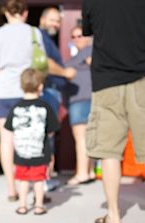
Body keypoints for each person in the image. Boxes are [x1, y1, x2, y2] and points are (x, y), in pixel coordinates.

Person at [82, 0, 145, 223]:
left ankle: (113, 215)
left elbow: (89, 33)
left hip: (106, 83)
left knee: (109, 152)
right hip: (143, 80)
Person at [0, 0, 47, 202]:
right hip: (27, 90)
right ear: (25, 12)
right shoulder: (34, 32)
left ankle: (12, 188)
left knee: (6, 141)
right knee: (32, 138)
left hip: (3, 90)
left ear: (5, 13)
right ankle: (34, 185)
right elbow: (41, 62)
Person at [4, 68, 60, 215]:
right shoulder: (45, 107)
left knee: (23, 180)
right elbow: (51, 130)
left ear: (21, 85)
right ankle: (39, 206)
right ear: (40, 86)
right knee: (39, 181)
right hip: (40, 152)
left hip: (21, 152)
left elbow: (9, 128)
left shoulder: (15, 108)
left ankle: (22, 206)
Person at [38, 7, 76, 189]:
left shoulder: (49, 39)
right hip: (47, 91)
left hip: (52, 92)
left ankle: (44, 178)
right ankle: (43, 180)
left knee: (47, 136)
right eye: (52, 20)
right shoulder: (40, 36)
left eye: (58, 21)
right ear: (42, 19)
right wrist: (65, 72)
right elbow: (44, 62)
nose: (56, 24)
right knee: (46, 136)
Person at [64, 26, 96, 185]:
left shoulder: (90, 50)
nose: (77, 38)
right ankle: (89, 171)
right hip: (81, 100)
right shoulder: (77, 56)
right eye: (74, 36)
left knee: (81, 138)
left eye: (80, 35)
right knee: (87, 138)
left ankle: (82, 173)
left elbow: (96, 67)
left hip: (82, 99)